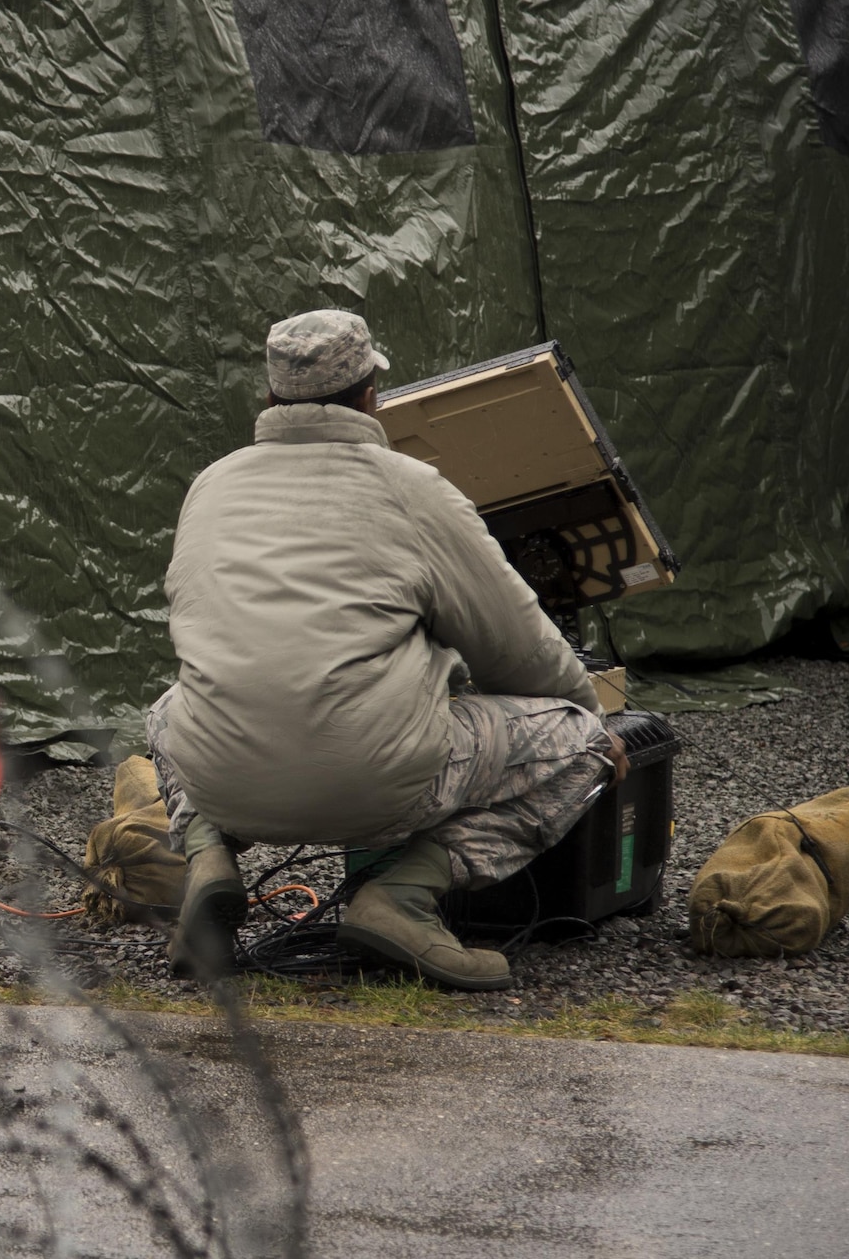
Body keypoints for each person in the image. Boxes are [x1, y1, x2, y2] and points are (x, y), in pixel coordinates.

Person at [147, 309, 627, 989]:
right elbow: (518, 646)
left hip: (222, 782)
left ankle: (206, 855)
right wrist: (594, 715)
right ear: (372, 395)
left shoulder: (209, 487)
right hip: (374, 785)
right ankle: (401, 897)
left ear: (268, 400)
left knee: (168, 706)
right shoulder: (414, 490)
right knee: (579, 740)